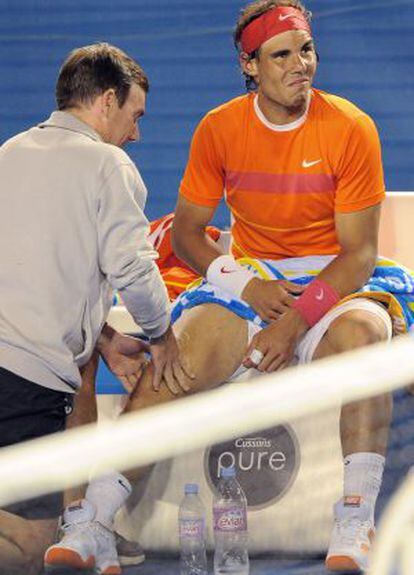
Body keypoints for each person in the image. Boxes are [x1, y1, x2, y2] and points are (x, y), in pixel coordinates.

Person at [45, 2, 414, 573]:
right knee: (176, 357)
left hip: (331, 283)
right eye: (282, 54)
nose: (301, 65)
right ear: (250, 66)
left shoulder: (352, 126)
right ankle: (95, 519)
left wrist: (296, 320)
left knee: (366, 338)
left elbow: (359, 253)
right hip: (250, 281)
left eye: (307, 49)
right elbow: (189, 235)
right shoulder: (219, 128)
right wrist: (245, 287)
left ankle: (355, 523)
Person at [0, 42, 189, 575]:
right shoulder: (109, 164)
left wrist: (103, 339)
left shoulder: (9, 152)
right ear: (108, 101)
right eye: (135, 115)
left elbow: (34, 272)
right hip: (24, 383)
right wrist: (161, 335)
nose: (137, 133)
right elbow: (133, 271)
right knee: (27, 547)